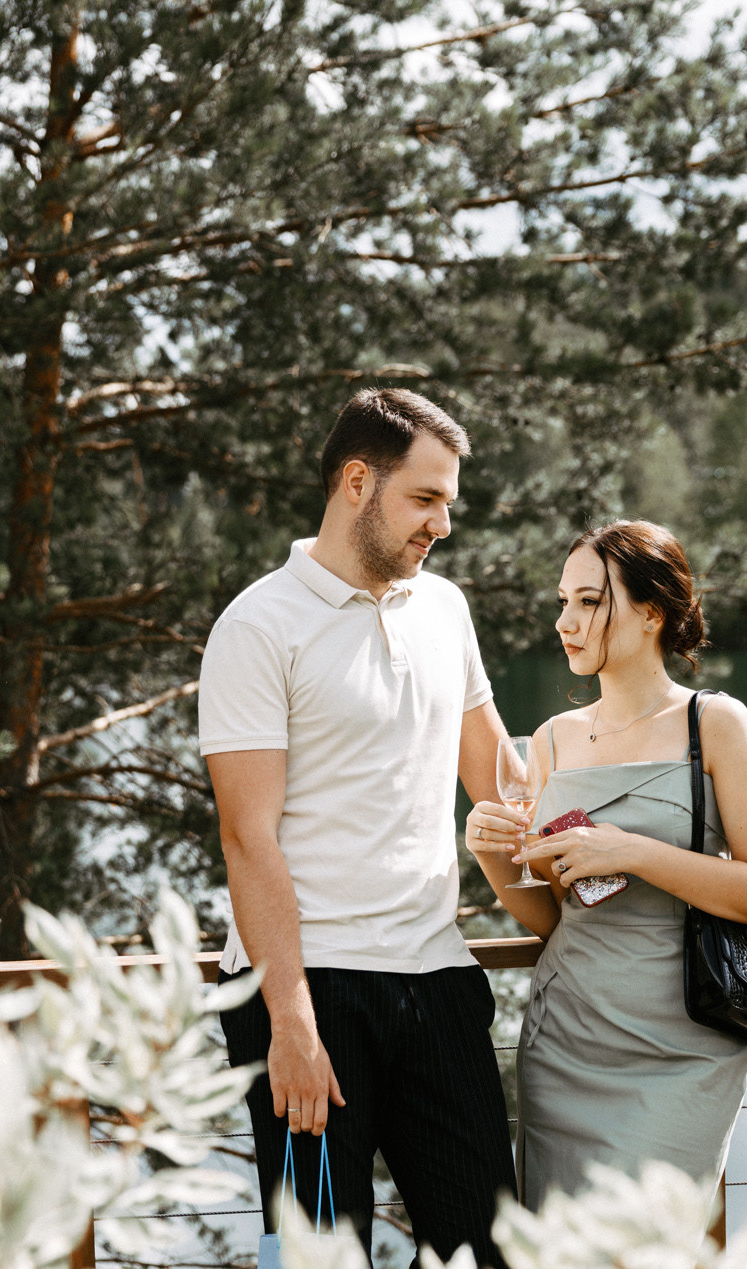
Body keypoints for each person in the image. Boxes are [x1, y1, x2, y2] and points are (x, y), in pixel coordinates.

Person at [199, 389, 517, 1266]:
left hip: (437, 975)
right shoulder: (257, 626)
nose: (442, 524)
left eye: (448, 502)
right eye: (425, 498)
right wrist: (290, 1021)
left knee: (492, 1252)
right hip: (312, 989)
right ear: (356, 483)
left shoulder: (445, 608)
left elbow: (498, 778)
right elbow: (248, 838)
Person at [464, 520, 747, 1209]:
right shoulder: (551, 740)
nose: (566, 622)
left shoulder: (716, 723)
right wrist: (493, 858)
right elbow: (554, 917)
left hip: (687, 1043)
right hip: (567, 1039)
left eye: (589, 601)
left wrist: (633, 851)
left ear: (652, 612)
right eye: (563, 602)